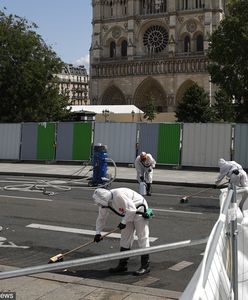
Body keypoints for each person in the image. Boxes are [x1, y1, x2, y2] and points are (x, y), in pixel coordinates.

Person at [92, 187, 151, 276]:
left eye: (101, 204)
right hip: (127, 213)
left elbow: (132, 209)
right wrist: (98, 233)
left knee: (142, 236)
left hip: (139, 210)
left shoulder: (119, 195)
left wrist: (123, 222)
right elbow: (101, 218)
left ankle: (145, 266)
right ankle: (122, 265)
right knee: (125, 238)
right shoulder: (104, 204)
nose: (100, 206)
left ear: (105, 200)